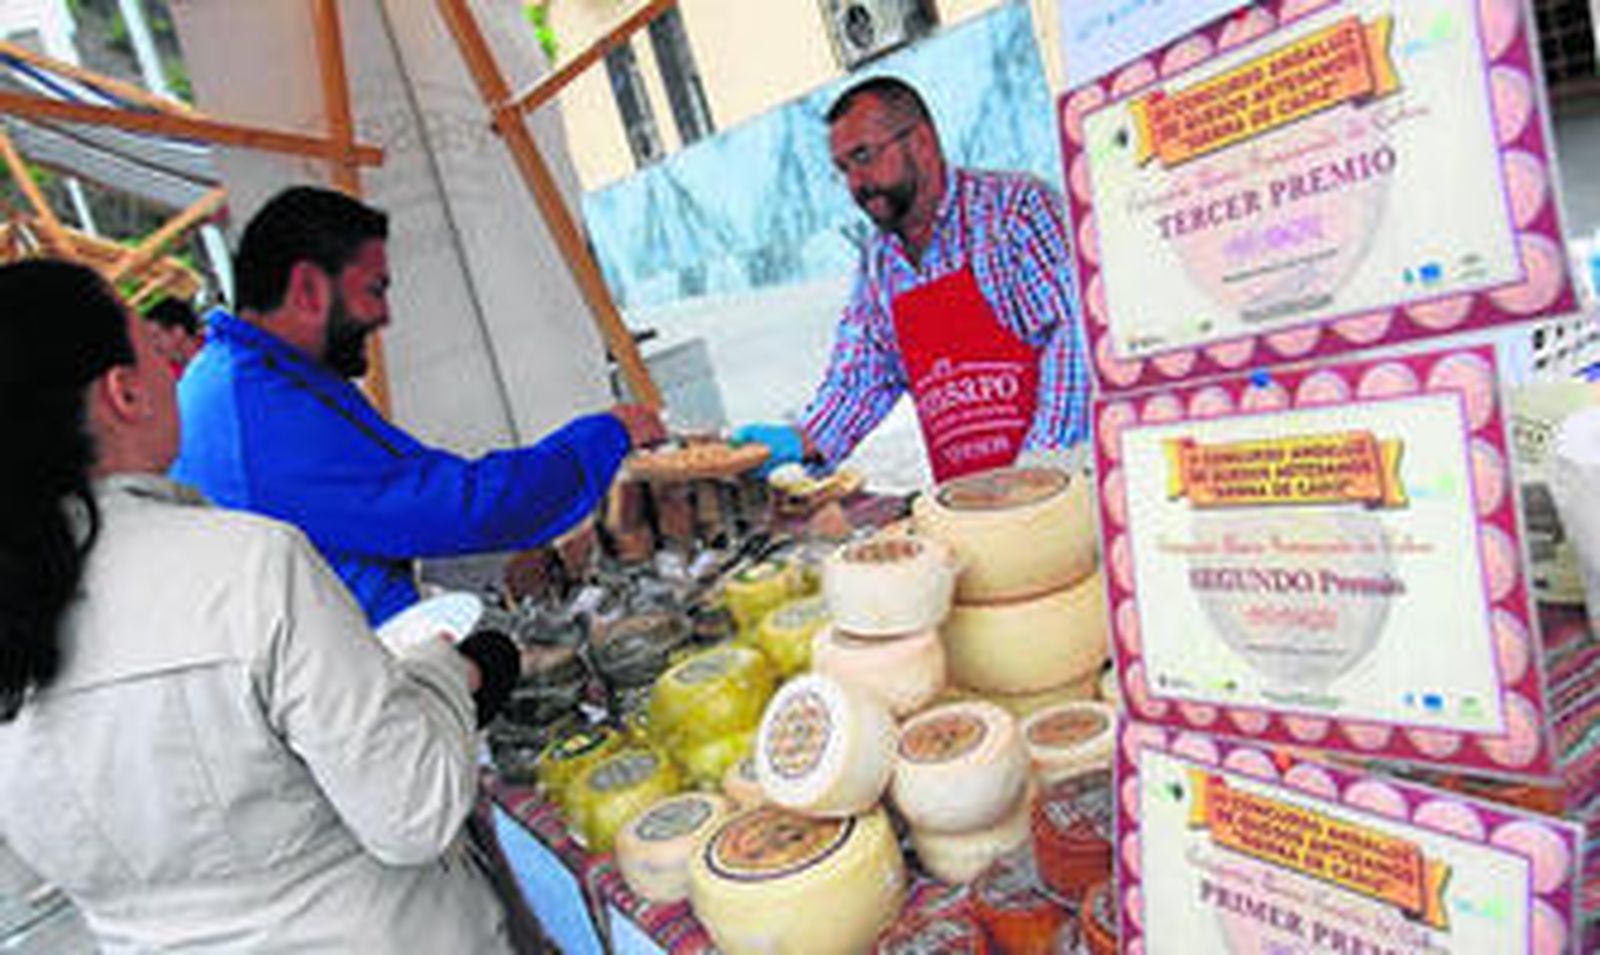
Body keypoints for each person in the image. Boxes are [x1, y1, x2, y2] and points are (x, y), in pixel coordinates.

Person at [0, 259, 520, 952]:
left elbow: (30, 877)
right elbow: (413, 809)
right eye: (149, 345)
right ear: (124, 392)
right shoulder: (247, 568)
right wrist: (449, 672)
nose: (171, 362)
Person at [172, 186, 665, 625]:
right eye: (374, 291)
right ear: (307, 290)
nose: (384, 315)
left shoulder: (244, 374)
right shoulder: (256, 408)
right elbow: (460, 507)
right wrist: (606, 434)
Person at [733, 76, 1091, 483]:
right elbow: (862, 376)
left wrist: (1039, 470)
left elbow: (1075, 335)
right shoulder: (878, 262)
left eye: (864, 156)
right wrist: (805, 441)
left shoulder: (1016, 210)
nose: (855, 185)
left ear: (921, 141)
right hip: (966, 500)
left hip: (1063, 484)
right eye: (843, 169)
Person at [144, 295, 205, 377]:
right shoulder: (170, 375)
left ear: (178, 331)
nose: (152, 344)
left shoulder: (218, 350)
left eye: (156, 336)